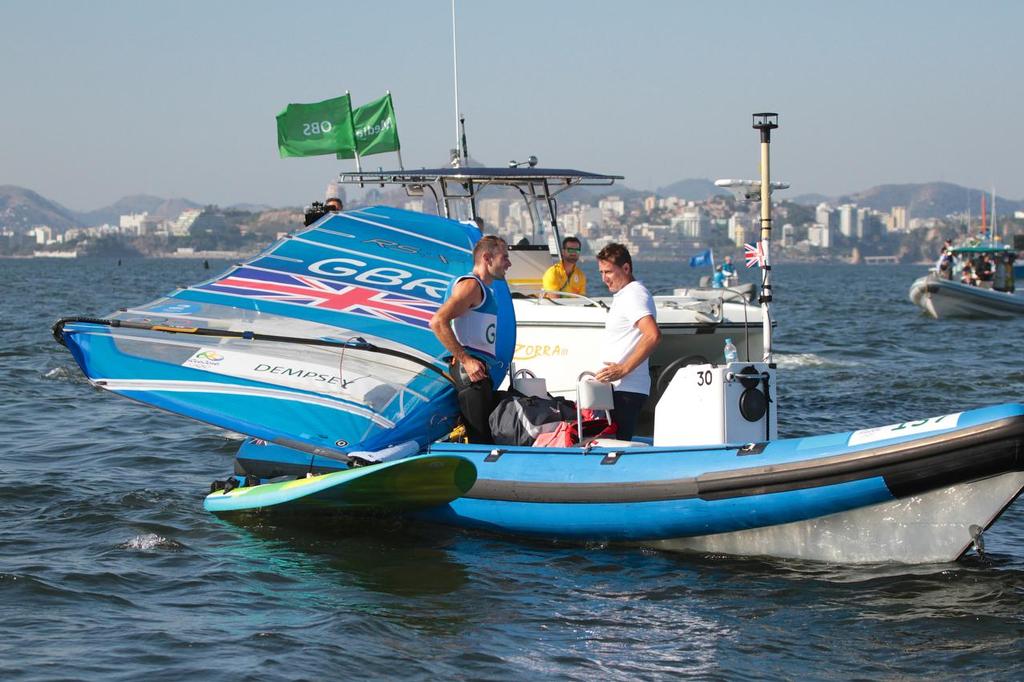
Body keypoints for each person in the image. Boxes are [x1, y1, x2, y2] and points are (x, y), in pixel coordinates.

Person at [429, 235, 515, 443]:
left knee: (487, 435)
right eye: (504, 257)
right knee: (480, 440)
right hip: (470, 373)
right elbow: (438, 321)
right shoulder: (471, 285)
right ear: (487, 257)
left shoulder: (486, 289)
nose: (509, 263)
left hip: (479, 371)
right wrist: (466, 360)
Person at [593, 243, 661, 441]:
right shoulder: (625, 295)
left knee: (617, 446)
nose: (604, 278)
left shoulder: (634, 294)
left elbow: (653, 335)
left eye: (609, 272)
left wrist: (623, 369)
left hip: (626, 390)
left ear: (626, 268)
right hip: (618, 389)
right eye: (601, 272)